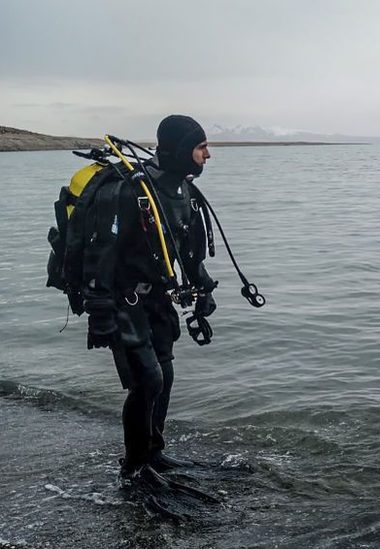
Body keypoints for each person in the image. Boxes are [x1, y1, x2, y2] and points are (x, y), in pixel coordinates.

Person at [80, 115, 218, 479]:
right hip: (121, 299)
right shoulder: (131, 192)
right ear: (179, 150)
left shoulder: (183, 191)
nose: (208, 155)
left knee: (166, 373)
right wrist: (100, 314)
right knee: (149, 380)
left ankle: (154, 452)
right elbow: (100, 253)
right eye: (201, 147)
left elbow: (189, 252)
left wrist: (203, 289)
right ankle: (135, 465)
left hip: (155, 295)